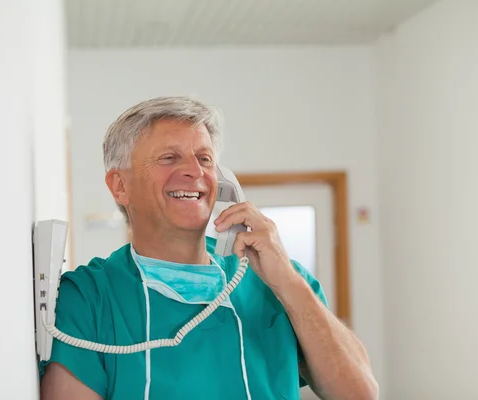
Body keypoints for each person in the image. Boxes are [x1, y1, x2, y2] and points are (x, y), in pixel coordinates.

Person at [39, 96, 378, 400]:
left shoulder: (274, 280)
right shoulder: (88, 297)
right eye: (169, 158)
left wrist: (288, 283)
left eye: (205, 158)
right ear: (120, 185)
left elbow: (359, 393)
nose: (194, 171)